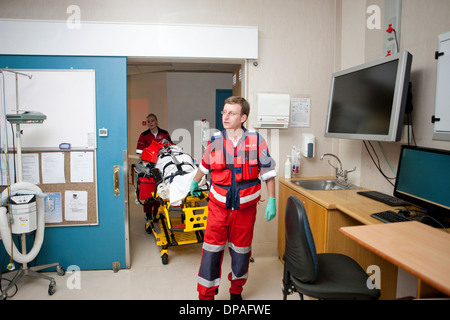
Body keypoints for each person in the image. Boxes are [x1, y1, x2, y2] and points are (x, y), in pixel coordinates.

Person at [190, 96, 277, 300]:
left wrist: (272, 199)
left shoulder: (257, 141)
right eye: (224, 112)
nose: (226, 116)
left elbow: (268, 173)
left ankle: (236, 291)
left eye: (232, 113)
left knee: (241, 253)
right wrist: (194, 182)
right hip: (217, 208)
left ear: (243, 117)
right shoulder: (215, 140)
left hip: (244, 211)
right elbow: (204, 167)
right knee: (211, 252)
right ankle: (206, 295)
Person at [136, 113, 172, 219]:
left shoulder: (164, 134)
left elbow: (170, 147)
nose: (150, 123)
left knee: (160, 190)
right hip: (149, 166)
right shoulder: (143, 135)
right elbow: (139, 152)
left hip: (162, 165)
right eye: (148, 122)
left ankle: (157, 212)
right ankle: (148, 213)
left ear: (156, 121)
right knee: (149, 193)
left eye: (152, 121)